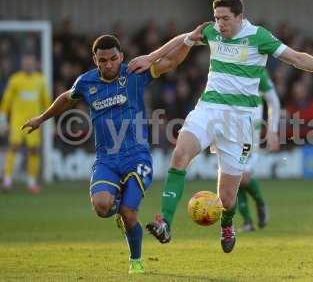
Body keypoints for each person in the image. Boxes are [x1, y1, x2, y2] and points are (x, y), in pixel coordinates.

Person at [130, 0, 313, 253]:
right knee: (180, 155)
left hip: (239, 121)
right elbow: (183, 39)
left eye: (225, 18)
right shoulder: (212, 32)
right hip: (208, 109)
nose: (220, 24)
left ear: (239, 17)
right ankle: (165, 222)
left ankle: (227, 224)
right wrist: (150, 56)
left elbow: (296, 57)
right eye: (216, 18)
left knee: (227, 197)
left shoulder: (259, 37)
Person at [21, 27, 203, 274]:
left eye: (113, 58)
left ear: (122, 55)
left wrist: (189, 42)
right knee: (102, 207)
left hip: (137, 156)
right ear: (95, 60)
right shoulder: (86, 82)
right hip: (106, 159)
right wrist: (41, 119)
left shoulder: (135, 73)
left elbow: (170, 62)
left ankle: (136, 261)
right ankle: (118, 206)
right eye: (102, 60)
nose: (108, 64)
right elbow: (66, 98)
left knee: (129, 213)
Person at [0, 53, 50, 194]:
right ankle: (7, 180)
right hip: (17, 121)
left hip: (34, 121)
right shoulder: (15, 79)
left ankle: (31, 182)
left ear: (35, 64)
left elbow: (45, 101)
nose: (28, 65)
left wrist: (47, 119)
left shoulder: (40, 80)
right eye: (25, 62)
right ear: (22, 64)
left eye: (30, 62)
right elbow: (7, 100)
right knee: (13, 147)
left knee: (33, 150)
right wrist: (3, 118)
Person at [238, 70, 281, 232]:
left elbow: (273, 101)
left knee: (241, 178)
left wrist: (272, 130)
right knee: (231, 179)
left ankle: (259, 202)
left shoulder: (258, 71)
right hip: (229, 128)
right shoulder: (225, 67)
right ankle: (248, 222)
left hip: (251, 139)